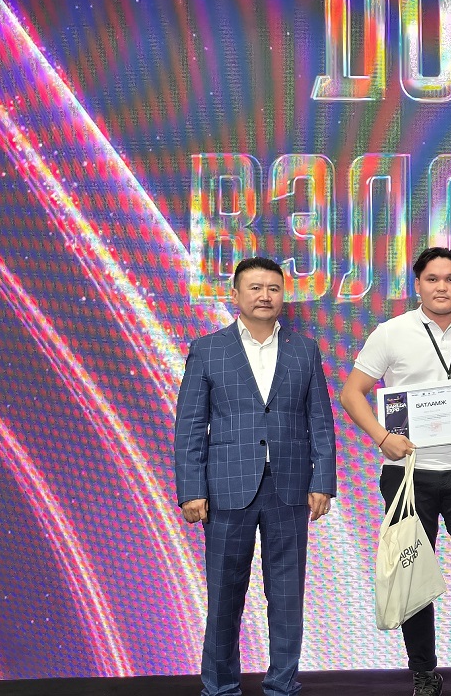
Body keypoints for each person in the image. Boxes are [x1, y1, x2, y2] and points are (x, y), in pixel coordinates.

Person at [339, 247, 451, 696]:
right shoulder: (391, 333)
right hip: (408, 472)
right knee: (411, 578)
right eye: (432, 279)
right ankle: (424, 673)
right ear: (418, 285)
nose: (441, 287)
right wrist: (382, 437)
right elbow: (352, 393)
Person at [173, 256, 337, 696]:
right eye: (255, 288)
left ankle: (283, 685)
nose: (265, 296)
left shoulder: (305, 349)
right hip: (225, 488)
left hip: (290, 488)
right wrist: (191, 489)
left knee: (286, 596)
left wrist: (323, 481)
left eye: (273, 288)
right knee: (224, 596)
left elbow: (320, 421)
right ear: (235, 295)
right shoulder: (208, 349)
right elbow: (190, 425)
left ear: (283, 295)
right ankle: (220, 687)